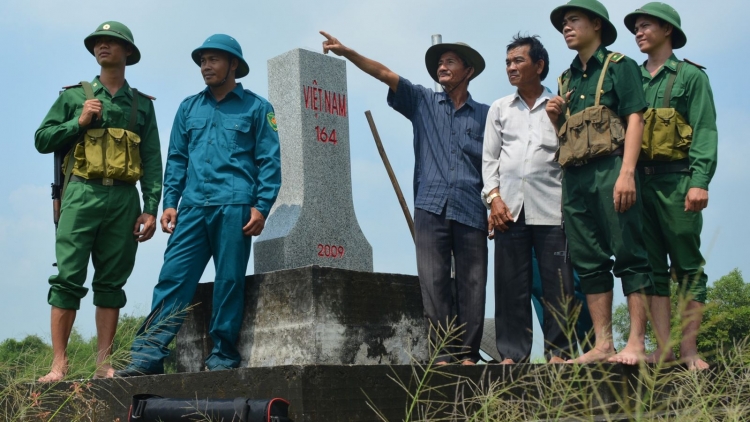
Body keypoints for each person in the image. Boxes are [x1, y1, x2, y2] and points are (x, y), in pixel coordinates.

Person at [116, 34, 281, 376]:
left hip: (235, 206)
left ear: (233, 65)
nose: (206, 66)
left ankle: (222, 354)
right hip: (191, 208)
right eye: (202, 60)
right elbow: (176, 159)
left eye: (213, 60)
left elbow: (270, 162)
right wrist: (170, 202)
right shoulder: (188, 107)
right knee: (172, 278)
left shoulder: (257, 107)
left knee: (230, 280)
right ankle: (148, 356)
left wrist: (261, 207)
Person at [320, 31, 489, 365]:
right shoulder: (423, 101)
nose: (442, 66)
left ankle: (468, 355)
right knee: (434, 281)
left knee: (473, 282)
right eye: (439, 62)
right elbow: (384, 73)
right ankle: (442, 354)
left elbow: (496, 164)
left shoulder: (486, 115)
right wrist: (349, 52)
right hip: (430, 205)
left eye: (450, 61)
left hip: (472, 206)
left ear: (468, 71)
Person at [34, 21, 162, 381]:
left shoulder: (141, 105)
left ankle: (103, 364)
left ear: (128, 53)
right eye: (98, 43)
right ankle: (59, 365)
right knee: (68, 278)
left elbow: (152, 160)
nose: (103, 46)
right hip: (81, 192)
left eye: (112, 42)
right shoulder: (74, 96)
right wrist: (79, 121)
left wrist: (150, 208)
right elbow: (42, 139)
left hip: (124, 198)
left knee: (111, 282)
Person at [546, 0, 654, 365]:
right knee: (588, 261)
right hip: (574, 177)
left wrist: (627, 173)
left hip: (611, 169)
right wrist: (554, 119)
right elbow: (568, 136)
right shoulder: (565, 79)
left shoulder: (619, 67)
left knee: (630, 255)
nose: (566, 27)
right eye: (563, 22)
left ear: (596, 24)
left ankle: (636, 343)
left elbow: (634, 119)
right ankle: (604, 344)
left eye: (573, 20)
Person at [624, 3, 717, 370]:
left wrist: (699, 181)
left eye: (646, 26)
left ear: (667, 30)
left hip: (678, 182)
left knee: (687, 266)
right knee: (650, 268)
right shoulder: (630, 76)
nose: (639, 32)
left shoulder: (691, 77)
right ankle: (663, 350)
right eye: (636, 27)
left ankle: (689, 348)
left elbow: (705, 130)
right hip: (638, 184)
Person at [482, 34, 578, 364]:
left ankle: (560, 354)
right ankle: (512, 354)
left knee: (558, 283)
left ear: (539, 66)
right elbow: (489, 160)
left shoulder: (559, 105)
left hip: (552, 208)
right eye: (508, 62)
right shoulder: (499, 109)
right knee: (510, 286)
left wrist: (558, 122)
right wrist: (493, 199)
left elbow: (573, 156)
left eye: (518, 61)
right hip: (509, 209)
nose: (510, 67)